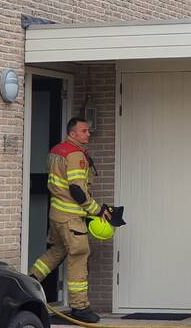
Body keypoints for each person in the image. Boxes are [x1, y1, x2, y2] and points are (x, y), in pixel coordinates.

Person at [29, 117, 112, 323]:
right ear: (72, 133)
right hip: (71, 217)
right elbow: (76, 188)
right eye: (84, 131)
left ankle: (29, 282)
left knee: (57, 251)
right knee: (79, 256)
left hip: (57, 214)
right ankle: (79, 307)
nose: (88, 134)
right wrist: (96, 210)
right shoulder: (75, 155)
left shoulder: (57, 151)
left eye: (88, 131)